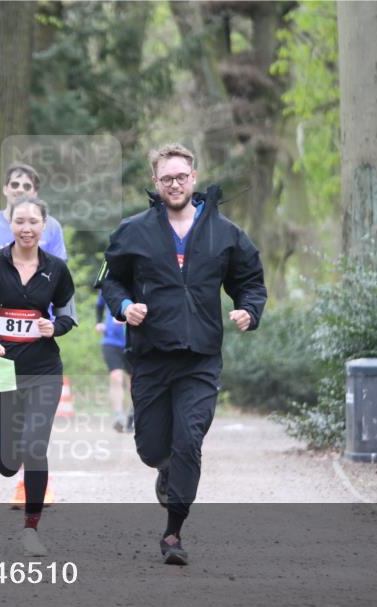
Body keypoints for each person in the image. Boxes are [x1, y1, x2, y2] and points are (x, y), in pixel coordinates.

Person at [101, 143, 267, 565]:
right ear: (155, 183)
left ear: (193, 178)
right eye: (166, 178)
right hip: (151, 355)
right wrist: (124, 306)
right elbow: (112, 281)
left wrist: (249, 309)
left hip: (200, 358)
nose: (174, 184)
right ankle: (164, 469)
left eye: (181, 177)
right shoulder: (133, 231)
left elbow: (249, 279)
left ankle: (173, 532)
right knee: (152, 449)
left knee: (189, 441)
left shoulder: (224, 232)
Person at [0, 196, 77, 556]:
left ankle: (31, 529)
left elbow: (68, 314)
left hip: (44, 370)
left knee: (35, 446)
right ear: (10, 224)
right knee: (10, 465)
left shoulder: (56, 269)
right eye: (20, 221)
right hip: (2, 369)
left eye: (33, 222)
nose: (27, 228)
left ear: (45, 226)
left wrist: (55, 327)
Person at [0, 162, 68, 505]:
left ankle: (34, 488)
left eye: (27, 186)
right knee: (12, 431)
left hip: (40, 338)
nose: (20, 190)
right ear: (5, 189)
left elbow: (57, 277)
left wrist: (54, 323)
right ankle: (2, 455)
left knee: (35, 424)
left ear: (36, 193)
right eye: (15, 184)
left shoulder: (51, 227)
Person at [95, 292, 133, 433]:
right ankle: (118, 416)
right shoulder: (109, 285)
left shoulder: (139, 284)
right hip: (111, 341)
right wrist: (99, 322)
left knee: (134, 381)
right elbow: (99, 305)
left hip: (132, 342)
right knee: (116, 376)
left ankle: (133, 416)